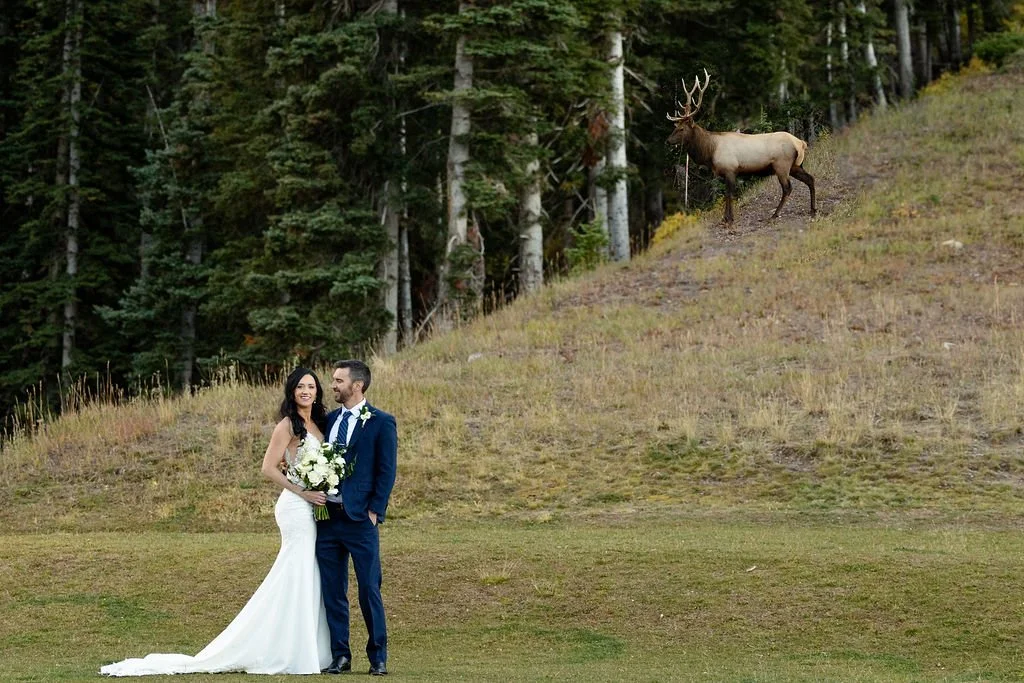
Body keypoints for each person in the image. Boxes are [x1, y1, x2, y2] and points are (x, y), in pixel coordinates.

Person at [100, 368, 332, 676]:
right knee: (298, 568)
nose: (306, 391)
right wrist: (302, 491)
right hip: (295, 507)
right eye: (300, 386)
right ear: (291, 391)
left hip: (315, 505)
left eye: (311, 386)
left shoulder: (320, 423)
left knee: (307, 572)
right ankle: (287, 647)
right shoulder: (287, 424)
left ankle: (307, 646)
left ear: (317, 392)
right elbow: (267, 468)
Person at [318, 360, 398, 676]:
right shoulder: (330, 420)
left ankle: (378, 657)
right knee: (333, 591)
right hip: (326, 519)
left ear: (357, 385)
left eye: (338, 380)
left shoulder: (381, 422)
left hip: (360, 521)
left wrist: (375, 511)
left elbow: (386, 470)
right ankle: (341, 656)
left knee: (369, 589)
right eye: (333, 380)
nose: (333, 385)